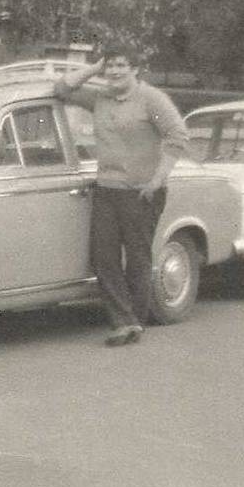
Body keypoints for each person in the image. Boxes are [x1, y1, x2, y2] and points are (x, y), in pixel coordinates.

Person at [55, 46, 190, 347]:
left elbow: (177, 135)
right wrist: (94, 67)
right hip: (107, 188)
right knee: (103, 256)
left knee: (138, 258)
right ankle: (123, 321)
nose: (115, 72)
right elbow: (62, 89)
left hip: (142, 192)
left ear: (135, 69)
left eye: (121, 65)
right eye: (111, 66)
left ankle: (133, 321)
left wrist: (157, 179)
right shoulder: (100, 98)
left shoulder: (151, 99)